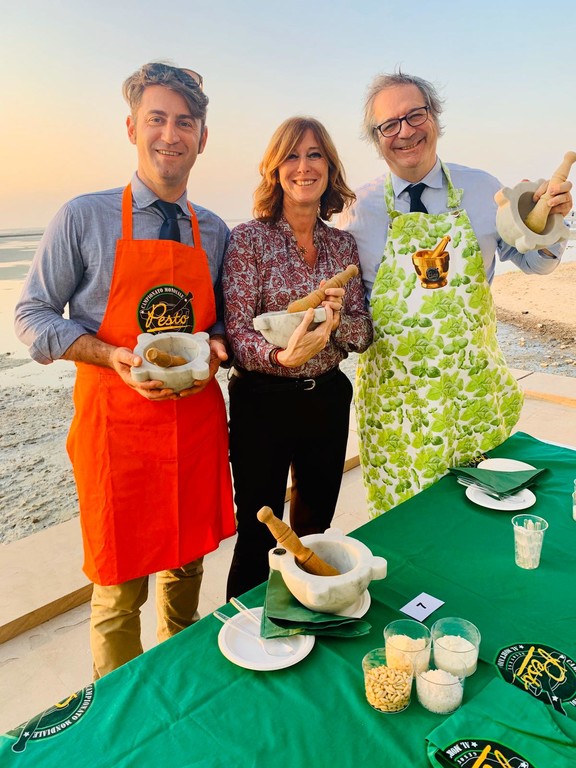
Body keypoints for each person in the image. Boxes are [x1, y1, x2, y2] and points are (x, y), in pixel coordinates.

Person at [14, 62, 236, 677]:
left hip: (192, 428)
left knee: (186, 569)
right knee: (117, 591)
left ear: (202, 138)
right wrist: (107, 354)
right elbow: (31, 316)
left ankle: (179, 682)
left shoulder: (214, 231)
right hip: (116, 433)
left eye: (185, 122)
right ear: (132, 127)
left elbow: (218, 321)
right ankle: (118, 712)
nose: (171, 134)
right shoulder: (83, 218)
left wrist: (218, 346)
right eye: (157, 119)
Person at [338, 71, 573, 517]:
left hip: (475, 402)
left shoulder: (484, 190)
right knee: (406, 530)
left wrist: (551, 219)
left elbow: (536, 262)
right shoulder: (357, 210)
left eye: (415, 115)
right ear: (376, 138)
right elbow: (349, 311)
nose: (405, 131)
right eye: (390, 124)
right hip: (397, 414)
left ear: (435, 117)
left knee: (478, 526)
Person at [223, 116, 373, 599]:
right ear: (274, 168)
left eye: (314, 155)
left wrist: (336, 322)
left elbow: (363, 334)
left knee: (315, 529)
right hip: (262, 402)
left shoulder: (343, 245)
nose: (303, 167)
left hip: (326, 399)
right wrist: (280, 357)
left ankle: (308, 615)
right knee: (258, 532)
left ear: (329, 167)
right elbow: (237, 333)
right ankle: (247, 623)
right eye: (291, 155)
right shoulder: (248, 240)